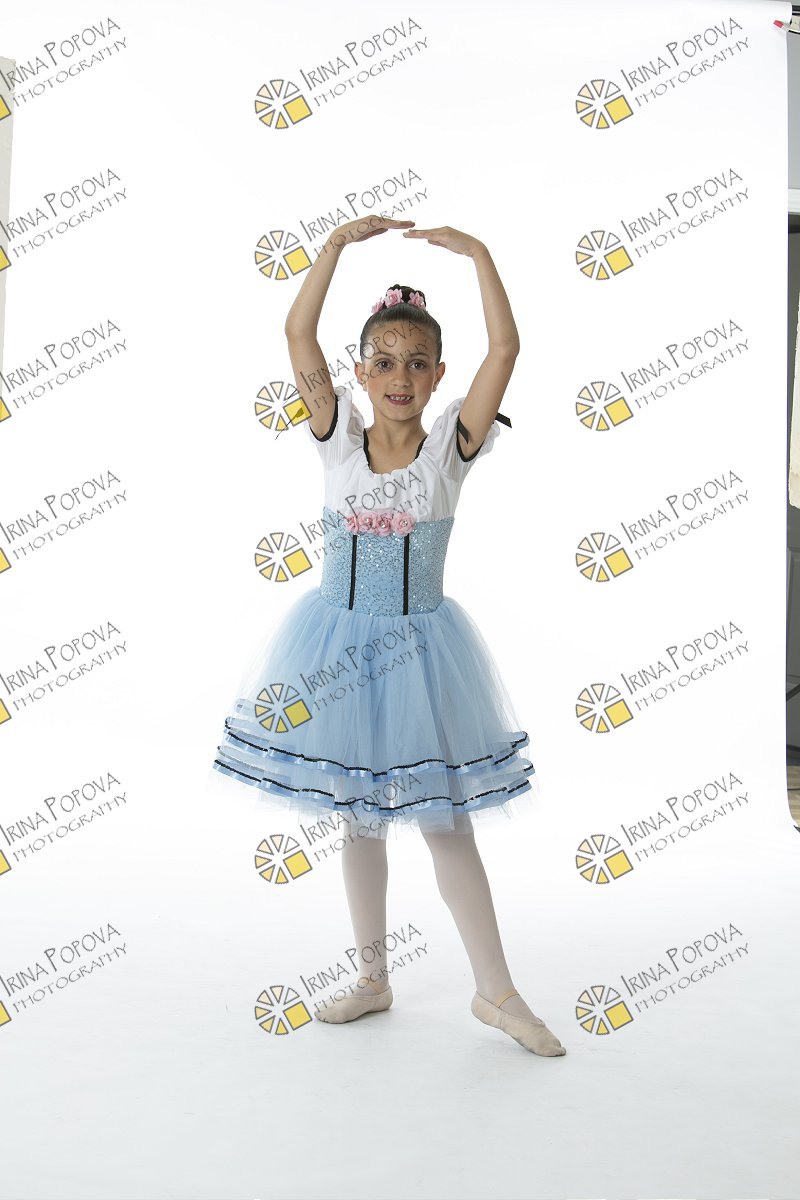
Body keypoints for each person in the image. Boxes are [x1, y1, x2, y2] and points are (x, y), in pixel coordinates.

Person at [212, 215, 566, 1057]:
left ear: (439, 375)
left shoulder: (451, 450)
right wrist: (334, 246)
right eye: (384, 361)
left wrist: (482, 255)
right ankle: (373, 978)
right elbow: (297, 333)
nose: (399, 376)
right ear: (360, 371)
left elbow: (506, 350)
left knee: (447, 824)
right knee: (357, 819)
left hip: (422, 656)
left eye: (416, 362)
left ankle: (496, 991)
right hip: (338, 650)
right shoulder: (336, 438)